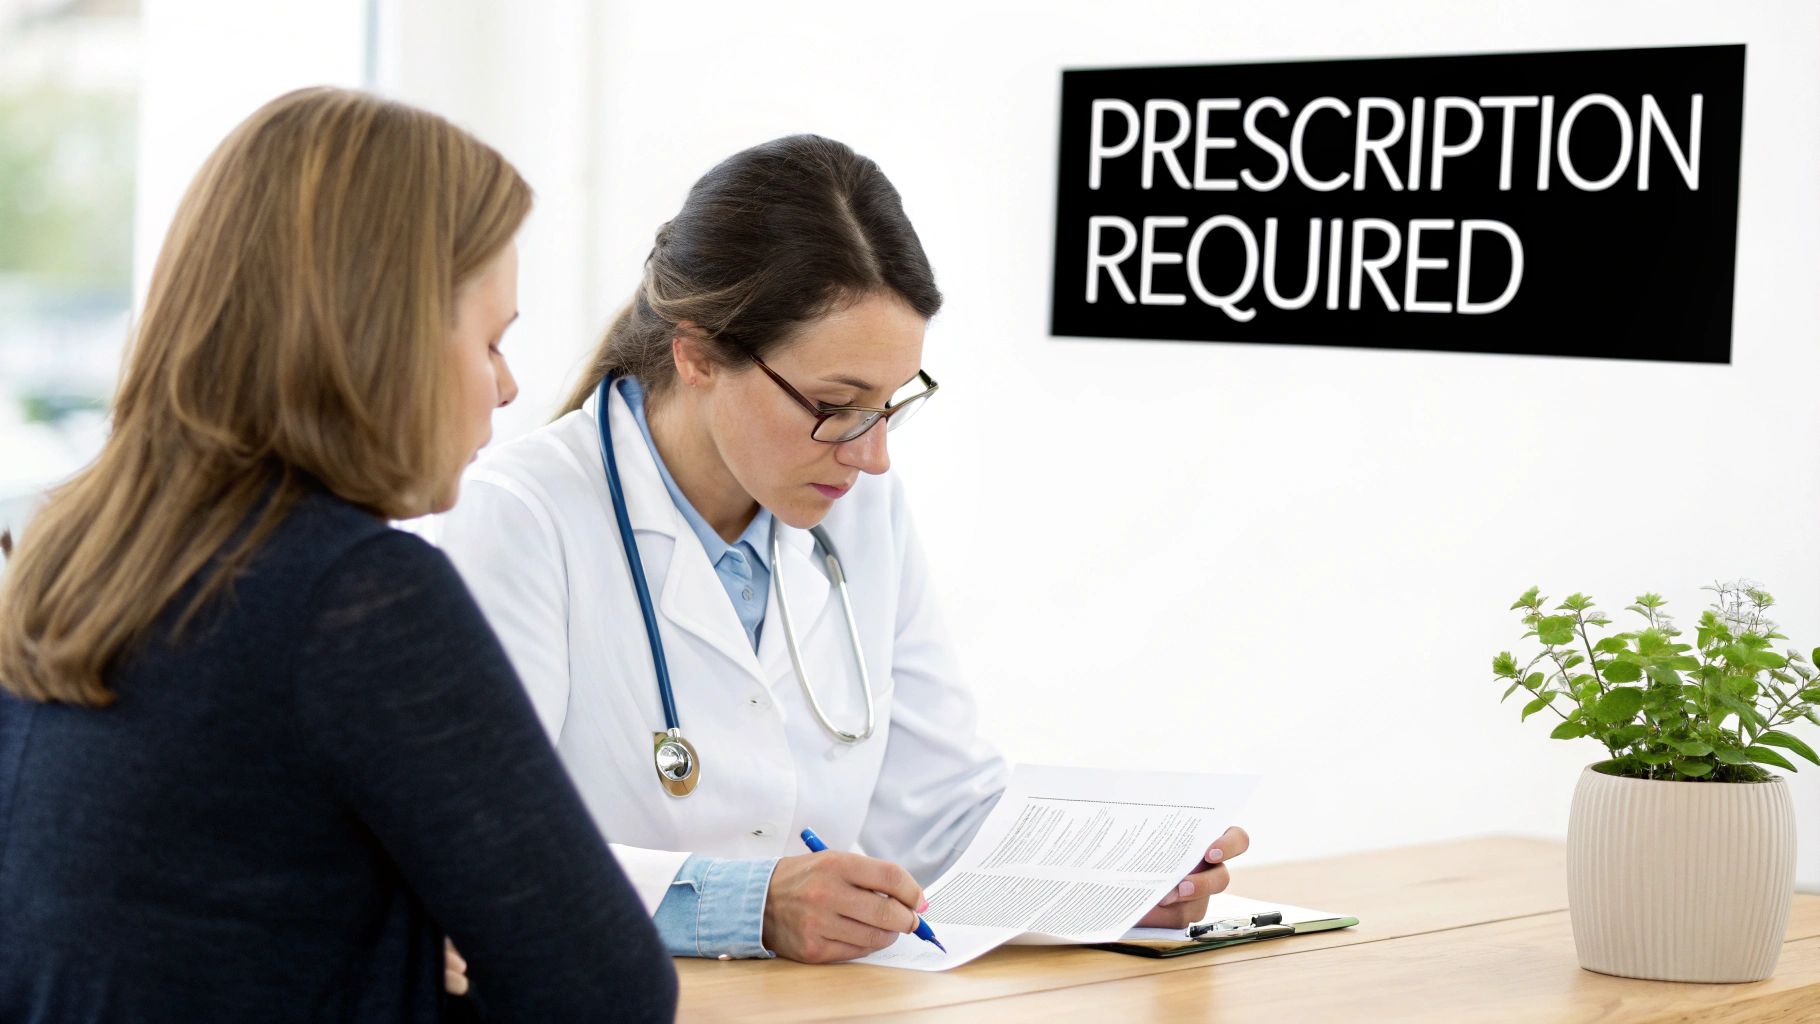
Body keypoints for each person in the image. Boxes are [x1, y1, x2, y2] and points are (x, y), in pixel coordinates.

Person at [438, 134, 1248, 966]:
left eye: (891, 405)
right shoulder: (517, 517)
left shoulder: (859, 511)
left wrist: (1112, 881)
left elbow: (936, 811)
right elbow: (477, 849)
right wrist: (746, 905)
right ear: (698, 352)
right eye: (836, 404)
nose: (873, 454)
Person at [0, 87, 675, 1021]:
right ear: (385, 336)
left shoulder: (68, 561)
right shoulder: (353, 596)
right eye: (490, 341)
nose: (508, 387)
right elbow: (610, 991)